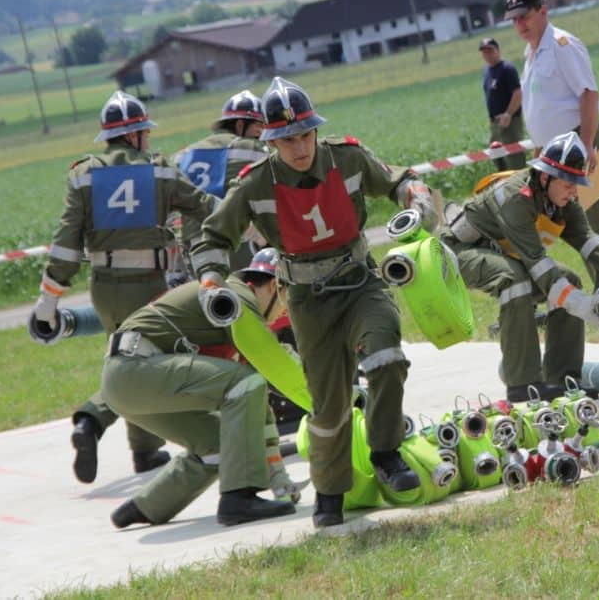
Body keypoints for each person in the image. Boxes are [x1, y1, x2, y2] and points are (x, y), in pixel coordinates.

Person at [191, 76, 438, 528]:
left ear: (316, 131)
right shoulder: (253, 185)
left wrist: (418, 200)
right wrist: (210, 281)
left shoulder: (348, 157)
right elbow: (211, 236)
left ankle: (386, 452)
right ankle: (330, 494)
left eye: (305, 134)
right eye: (286, 139)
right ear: (271, 141)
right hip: (306, 300)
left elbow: (401, 182)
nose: (299, 147)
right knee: (328, 406)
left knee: (386, 357)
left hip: (361, 281)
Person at [32, 91, 214, 483]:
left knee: (125, 356)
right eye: (145, 133)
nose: (148, 140)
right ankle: (92, 419)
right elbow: (202, 205)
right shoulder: (160, 170)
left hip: (103, 287)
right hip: (147, 285)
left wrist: (48, 303)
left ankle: (145, 453)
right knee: (142, 365)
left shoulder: (83, 174)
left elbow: (66, 243)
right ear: (134, 136)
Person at [102, 251, 299, 528]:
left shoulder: (234, 311)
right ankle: (239, 499)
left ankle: (148, 505)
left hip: (125, 381)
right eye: (288, 300)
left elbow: (257, 408)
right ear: (273, 286)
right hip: (135, 369)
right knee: (243, 382)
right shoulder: (237, 297)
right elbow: (264, 376)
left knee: (220, 444)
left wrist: (279, 475)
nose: (286, 311)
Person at [442, 131, 599, 402]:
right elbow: (537, 262)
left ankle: (562, 379)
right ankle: (522, 385)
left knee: (568, 279)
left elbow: (587, 239)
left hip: (505, 251)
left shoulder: (563, 198)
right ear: (545, 176)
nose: (574, 190)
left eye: (577, 182)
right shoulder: (515, 198)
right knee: (514, 281)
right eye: (569, 182)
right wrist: (581, 305)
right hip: (460, 251)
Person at [504, 0, 599, 281]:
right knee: (580, 228)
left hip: (581, 143)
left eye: (525, 16)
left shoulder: (562, 45)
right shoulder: (532, 53)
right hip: (555, 155)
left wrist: (587, 144)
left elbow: (589, 94)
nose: (520, 24)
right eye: (514, 19)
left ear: (543, 11)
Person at [172, 90, 270, 273]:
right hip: (234, 245)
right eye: (259, 127)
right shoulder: (252, 148)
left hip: (193, 250)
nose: (263, 134)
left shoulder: (183, 154)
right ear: (240, 124)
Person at [479, 37, 527, 171]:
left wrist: (508, 114)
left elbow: (518, 93)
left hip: (510, 121)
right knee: (496, 155)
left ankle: (520, 185)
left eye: (490, 50)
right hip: (495, 123)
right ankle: (505, 184)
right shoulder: (487, 71)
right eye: (484, 52)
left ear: (498, 50)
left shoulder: (507, 68)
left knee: (514, 159)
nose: (487, 54)